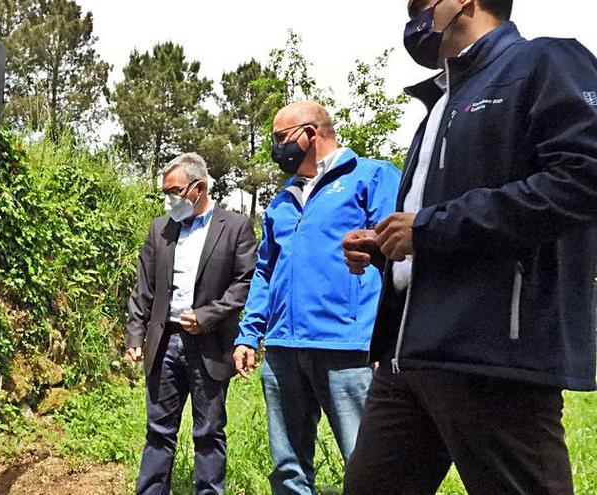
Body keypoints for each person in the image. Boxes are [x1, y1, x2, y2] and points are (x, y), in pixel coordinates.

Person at [342, 1, 597, 493]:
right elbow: (431, 231)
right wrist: (384, 248)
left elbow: (582, 178)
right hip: (408, 360)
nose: (412, 17)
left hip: (494, 358)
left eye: (421, 5)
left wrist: (429, 228)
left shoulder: (545, 61)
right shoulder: (441, 101)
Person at [233, 101, 401, 495]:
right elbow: (265, 271)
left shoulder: (371, 177)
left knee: (367, 466)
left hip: (347, 348)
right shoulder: (281, 201)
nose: (275, 149)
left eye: (279, 138)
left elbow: (399, 259)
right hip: (283, 350)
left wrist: (388, 340)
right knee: (288, 467)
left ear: (310, 133)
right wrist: (248, 333)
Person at [126, 152, 257, 495]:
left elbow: (245, 283)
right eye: (165, 192)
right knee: (158, 430)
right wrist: (135, 334)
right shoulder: (160, 229)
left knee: (209, 432)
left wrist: (206, 316)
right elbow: (145, 287)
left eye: (174, 191)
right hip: (164, 342)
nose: (168, 199)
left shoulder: (236, 227)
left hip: (209, 345)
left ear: (199, 188)